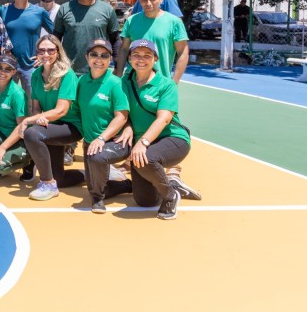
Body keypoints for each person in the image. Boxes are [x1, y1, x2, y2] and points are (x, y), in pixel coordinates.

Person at [120, 39, 192, 220]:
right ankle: (171, 183)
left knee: (147, 158)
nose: (141, 59)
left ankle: (170, 195)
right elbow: (121, 112)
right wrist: (127, 127)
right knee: (145, 200)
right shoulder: (124, 82)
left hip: (172, 138)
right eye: (136, 55)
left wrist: (143, 142)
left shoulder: (166, 85)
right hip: (143, 143)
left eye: (147, 55)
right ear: (129, 58)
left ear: (155, 59)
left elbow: (164, 118)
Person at [18, 35, 86, 200]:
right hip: (51, 126)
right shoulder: (36, 75)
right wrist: (38, 118)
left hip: (71, 127)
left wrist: (29, 120)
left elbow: (61, 110)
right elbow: (36, 107)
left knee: (31, 133)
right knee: (60, 180)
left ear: (58, 52)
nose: (46, 54)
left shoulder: (67, 75)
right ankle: (89, 173)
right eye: (41, 51)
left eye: (50, 50)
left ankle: (47, 184)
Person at [77, 39, 134, 213]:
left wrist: (102, 138)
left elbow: (121, 116)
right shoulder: (81, 81)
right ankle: (127, 185)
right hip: (90, 142)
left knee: (96, 185)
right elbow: (76, 110)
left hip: (114, 141)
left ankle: (98, 199)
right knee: (94, 185)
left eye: (104, 55)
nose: (99, 59)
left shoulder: (116, 83)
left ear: (110, 59)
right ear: (87, 57)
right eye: (94, 54)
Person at [53, 0, 120, 75]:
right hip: (69, 71)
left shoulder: (107, 9)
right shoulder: (64, 9)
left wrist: (118, 66)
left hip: (99, 71)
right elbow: (55, 39)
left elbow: (116, 40)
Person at [117, 0, 189, 83]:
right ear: (140, 1)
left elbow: (183, 52)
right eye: (144, 0)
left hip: (161, 83)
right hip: (131, 82)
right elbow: (124, 49)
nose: (148, 3)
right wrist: (118, 76)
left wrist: (174, 81)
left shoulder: (174, 22)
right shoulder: (131, 21)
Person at [0, 0, 54, 105]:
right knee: (6, 102)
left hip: (30, 65)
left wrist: (42, 55)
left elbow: (55, 34)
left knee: (32, 103)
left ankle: (32, 119)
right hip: (8, 64)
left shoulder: (39, 12)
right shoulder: (3, 11)